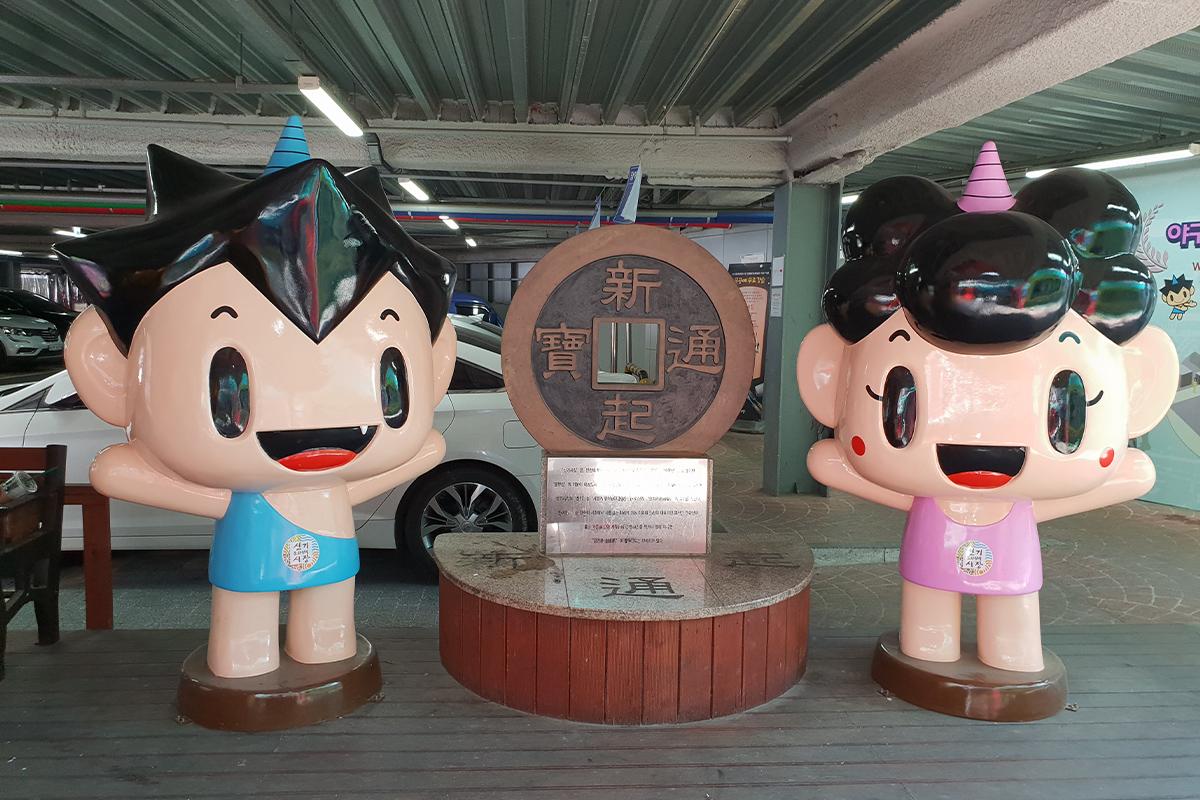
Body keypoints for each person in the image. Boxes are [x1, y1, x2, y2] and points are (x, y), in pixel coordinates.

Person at [54, 118, 456, 678]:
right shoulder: (283, 488)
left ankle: (322, 644)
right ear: (112, 373)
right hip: (258, 540)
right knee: (247, 615)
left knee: (330, 617)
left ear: (436, 366)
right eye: (229, 386)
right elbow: (133, 477)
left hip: (309, 536)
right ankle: (245, 655)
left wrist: (421, 449)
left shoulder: (326, 481)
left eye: (391, 382)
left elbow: (400, 460)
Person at [797, 142, 1176, 672]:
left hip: (1001, 548)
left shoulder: (985, 497)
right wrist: (1127, 476)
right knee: (929, 612)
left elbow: (842, 468)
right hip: (942, 540)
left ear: (1143, 386)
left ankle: (1011, 652)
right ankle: (932, 645)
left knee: (1011, 607)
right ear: (828, 377)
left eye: (1061, 409)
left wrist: (835, 462)